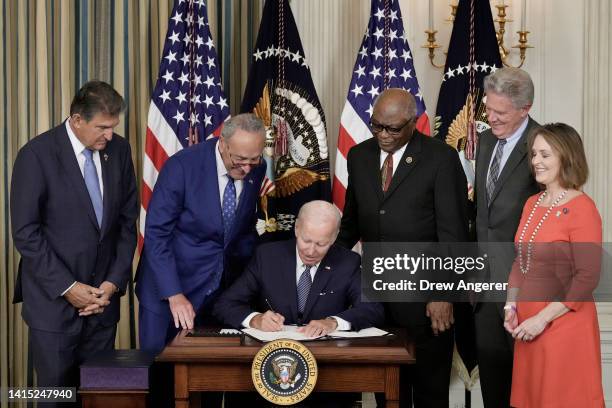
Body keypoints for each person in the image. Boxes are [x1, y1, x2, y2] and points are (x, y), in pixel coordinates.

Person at [336, 88, 469, 408]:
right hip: (377, 297)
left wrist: (443, 293)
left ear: (414, 123)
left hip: (425, 298)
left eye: (393, 128)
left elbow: (453, 233)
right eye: (376, 125)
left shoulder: (440, 157)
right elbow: (352, 223)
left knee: (428, 391)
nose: (383, 134)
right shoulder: (359, 155)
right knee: (387, 390)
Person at [10, 81, 138, 404]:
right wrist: (69, 288)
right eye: (102, 127)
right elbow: (26, 232)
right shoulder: (36, 155)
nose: (109, 136)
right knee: (56, 399)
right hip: (53, 308)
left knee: (98, 397)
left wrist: (112, 283)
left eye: (113, 127)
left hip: (102, 306)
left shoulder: (120, 151)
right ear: (77, 120)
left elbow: (127, 224)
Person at [214, 200, 384, 408]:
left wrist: (333, 322)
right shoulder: (267, 255)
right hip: (267, 369)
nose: (311, 251)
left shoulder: (348, 262)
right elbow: (225, 304)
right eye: (306, 240)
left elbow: (373, 308)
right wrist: (256, 319)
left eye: (321, 244)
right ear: (296, 229)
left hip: (325, 374)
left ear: (334, 237)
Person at [136, 113, 267, 354]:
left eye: (254, 160)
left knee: (208, 373)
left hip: (218, 290)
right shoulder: (182, 167)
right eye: (240, 159)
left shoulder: (257, 168)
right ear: (223, 144)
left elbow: (244, 228)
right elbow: (157, 234)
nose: (247, 168)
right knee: (159, 370)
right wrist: (174, 294)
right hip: (169, 288)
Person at [503, 123, 605, 407]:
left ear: (566, 157)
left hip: (563, 326)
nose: (536, 161)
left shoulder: (583, 208)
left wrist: (542, 319)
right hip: (527, 326)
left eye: (545, 154)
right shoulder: (532, 203)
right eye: (534, 154)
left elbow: (587, 277)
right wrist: (511, 307)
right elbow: (519, 261)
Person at [473, 67, 540, 407]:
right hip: (484, 287)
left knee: (527, 387)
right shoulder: (485, 141)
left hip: (525, 289)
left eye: (501, 113)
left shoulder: (543, 146)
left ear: (525, 108)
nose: (491, 118)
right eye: (489, 109)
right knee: (494, 385)